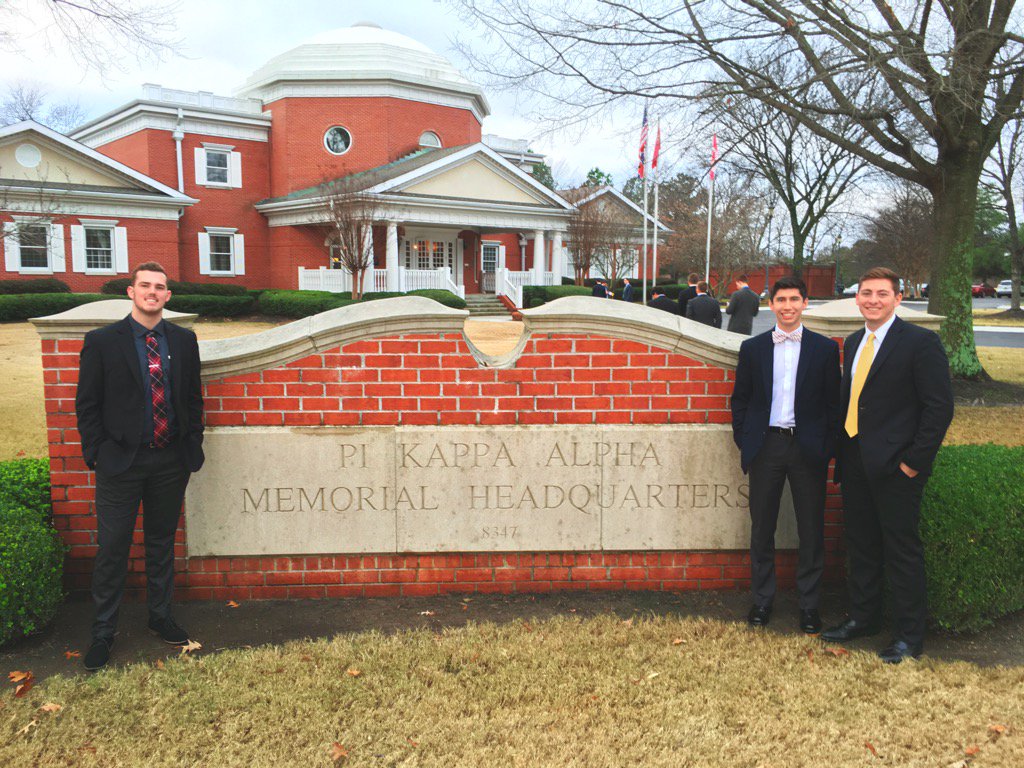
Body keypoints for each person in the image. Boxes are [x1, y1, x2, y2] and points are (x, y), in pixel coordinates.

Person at [75, 262, 205, 671]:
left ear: (168, 296)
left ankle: (160, 616)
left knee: (161, 543)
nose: (152, 292)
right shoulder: (102, 342)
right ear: (131, 292)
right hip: (121, 463)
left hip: (169, 461)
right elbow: (87, 404)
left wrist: (192, 442)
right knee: (113, 548)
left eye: (160, 287)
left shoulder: (184, 340)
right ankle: (102, 633)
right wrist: (98, 451)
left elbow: (192, 398)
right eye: (145, 285)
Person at [821, 267, 953, 663]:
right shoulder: (854, 340)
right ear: (857, 297)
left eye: (881, 293)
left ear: (898, 299)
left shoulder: (920, 343)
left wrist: (913, 464)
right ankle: (864, 619)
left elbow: (939, 408)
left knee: (901, 551)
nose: (872, 300)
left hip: (897, 468)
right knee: (862, 547)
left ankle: (909, 638)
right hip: (856, 462)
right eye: (866, 293)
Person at [731, 276, 840, 633]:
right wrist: (745, 440)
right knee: (762, 527)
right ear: (772, 304)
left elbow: (832, 404)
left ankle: (810, 606)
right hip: (767, 446)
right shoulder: (754, 348)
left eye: (795, 299)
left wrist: (825, 447)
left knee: (811, 529)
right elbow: (741, 400)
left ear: (805, 303)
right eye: (781, 300)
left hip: (808, 448)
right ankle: (762, 601)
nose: (788, 306)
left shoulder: (824, 349)